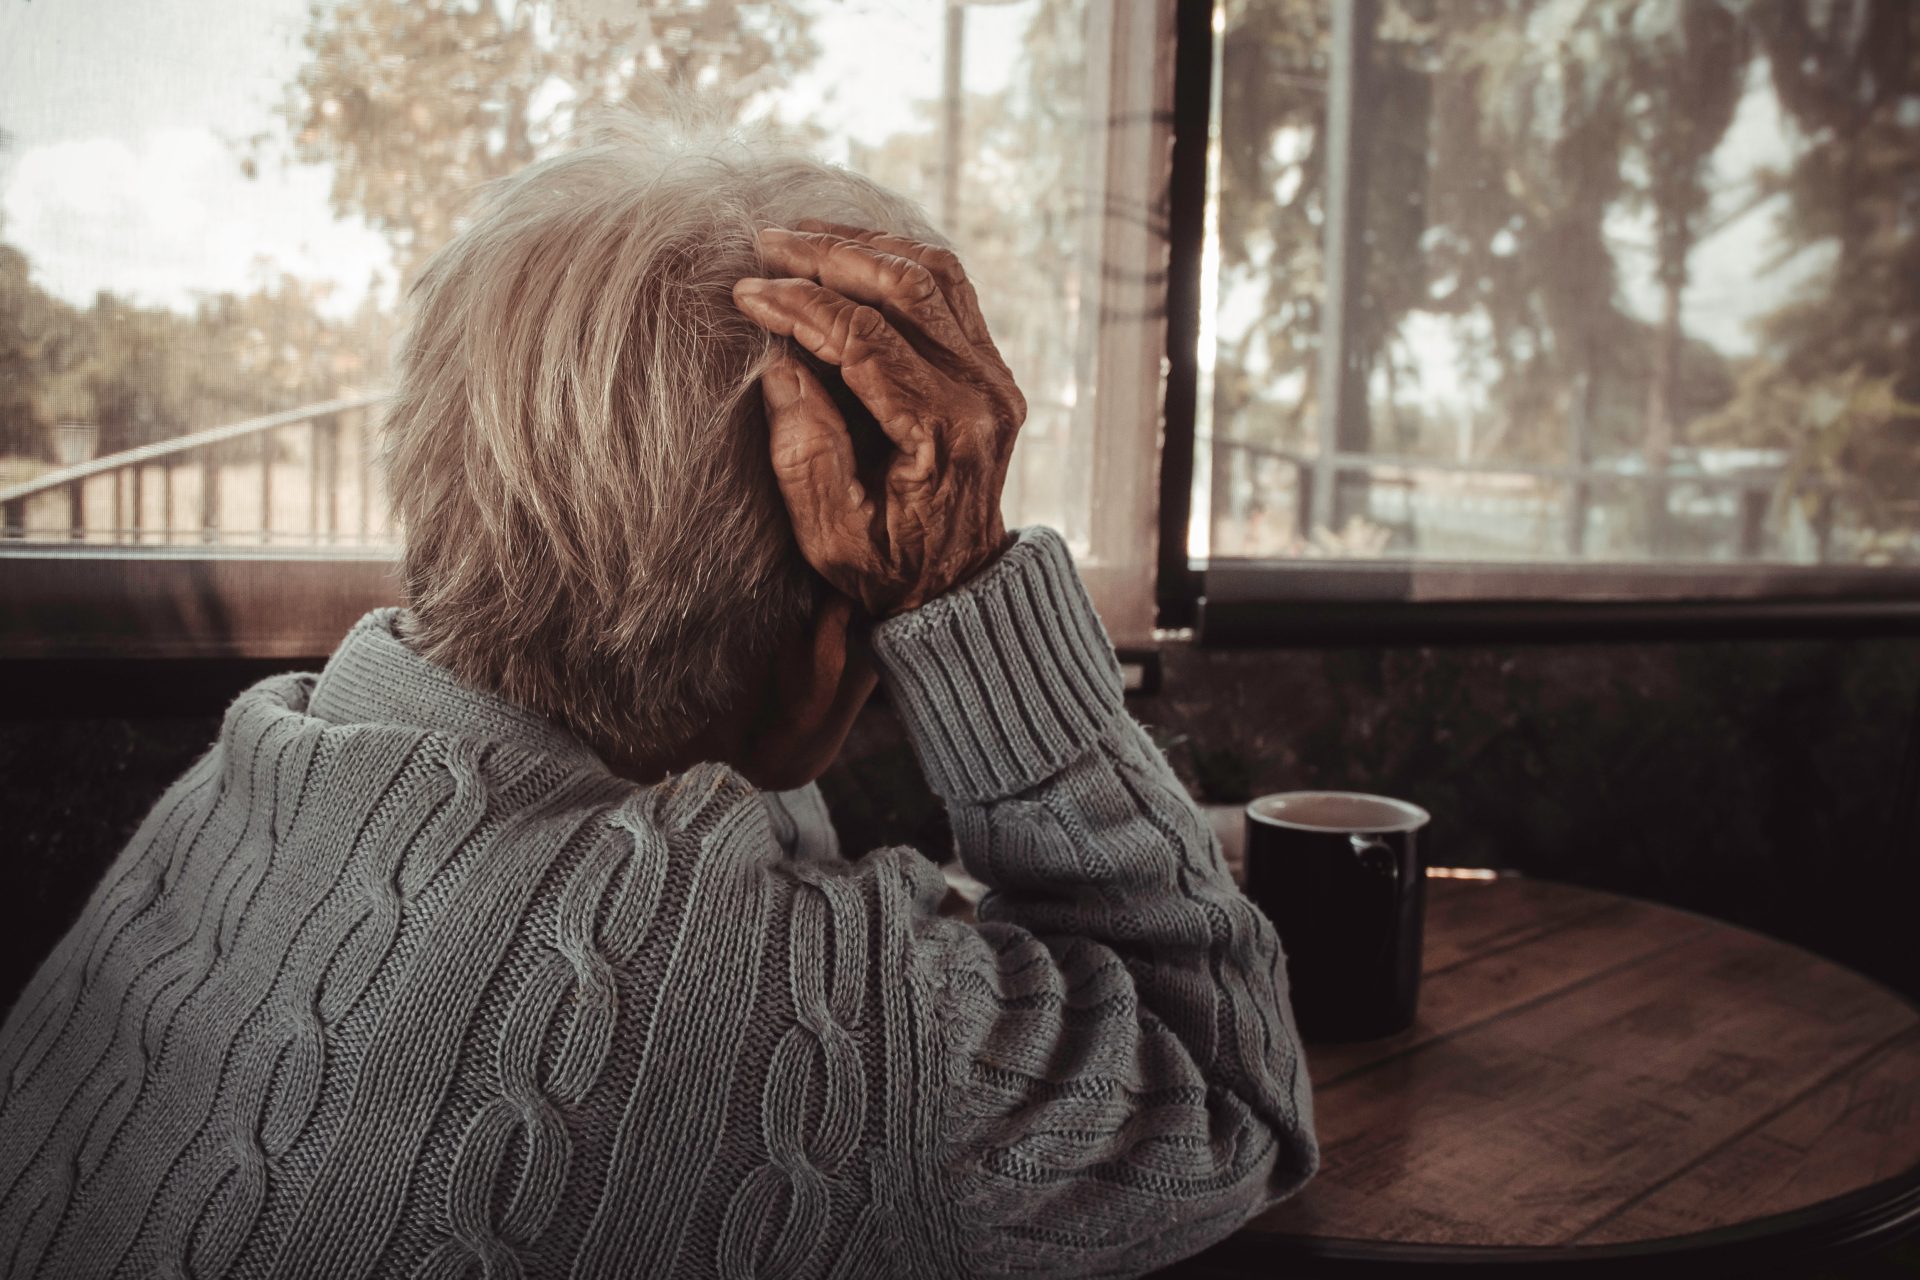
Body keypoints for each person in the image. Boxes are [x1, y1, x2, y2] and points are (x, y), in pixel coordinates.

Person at [0, 114, 1316, 1278]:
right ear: (825, 652)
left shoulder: (245, 785)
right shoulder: (788, 1002)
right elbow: (1227, 1095)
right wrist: (965, 588)